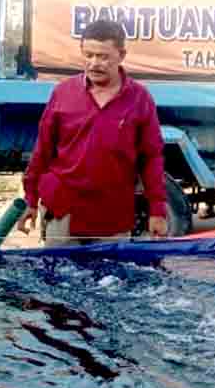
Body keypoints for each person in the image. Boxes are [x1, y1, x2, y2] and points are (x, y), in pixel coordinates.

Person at [18, 19, 168, 245]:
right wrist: (30, 199)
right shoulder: (63, 93)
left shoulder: (140, 98)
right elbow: (43, 151)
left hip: (113, 216)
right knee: (58, 268)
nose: (94, 63)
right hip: (64, 211)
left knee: (111, 270)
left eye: (103, 57)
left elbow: (151, 158)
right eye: (88, 55)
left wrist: (157, 210)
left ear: (121, 55)